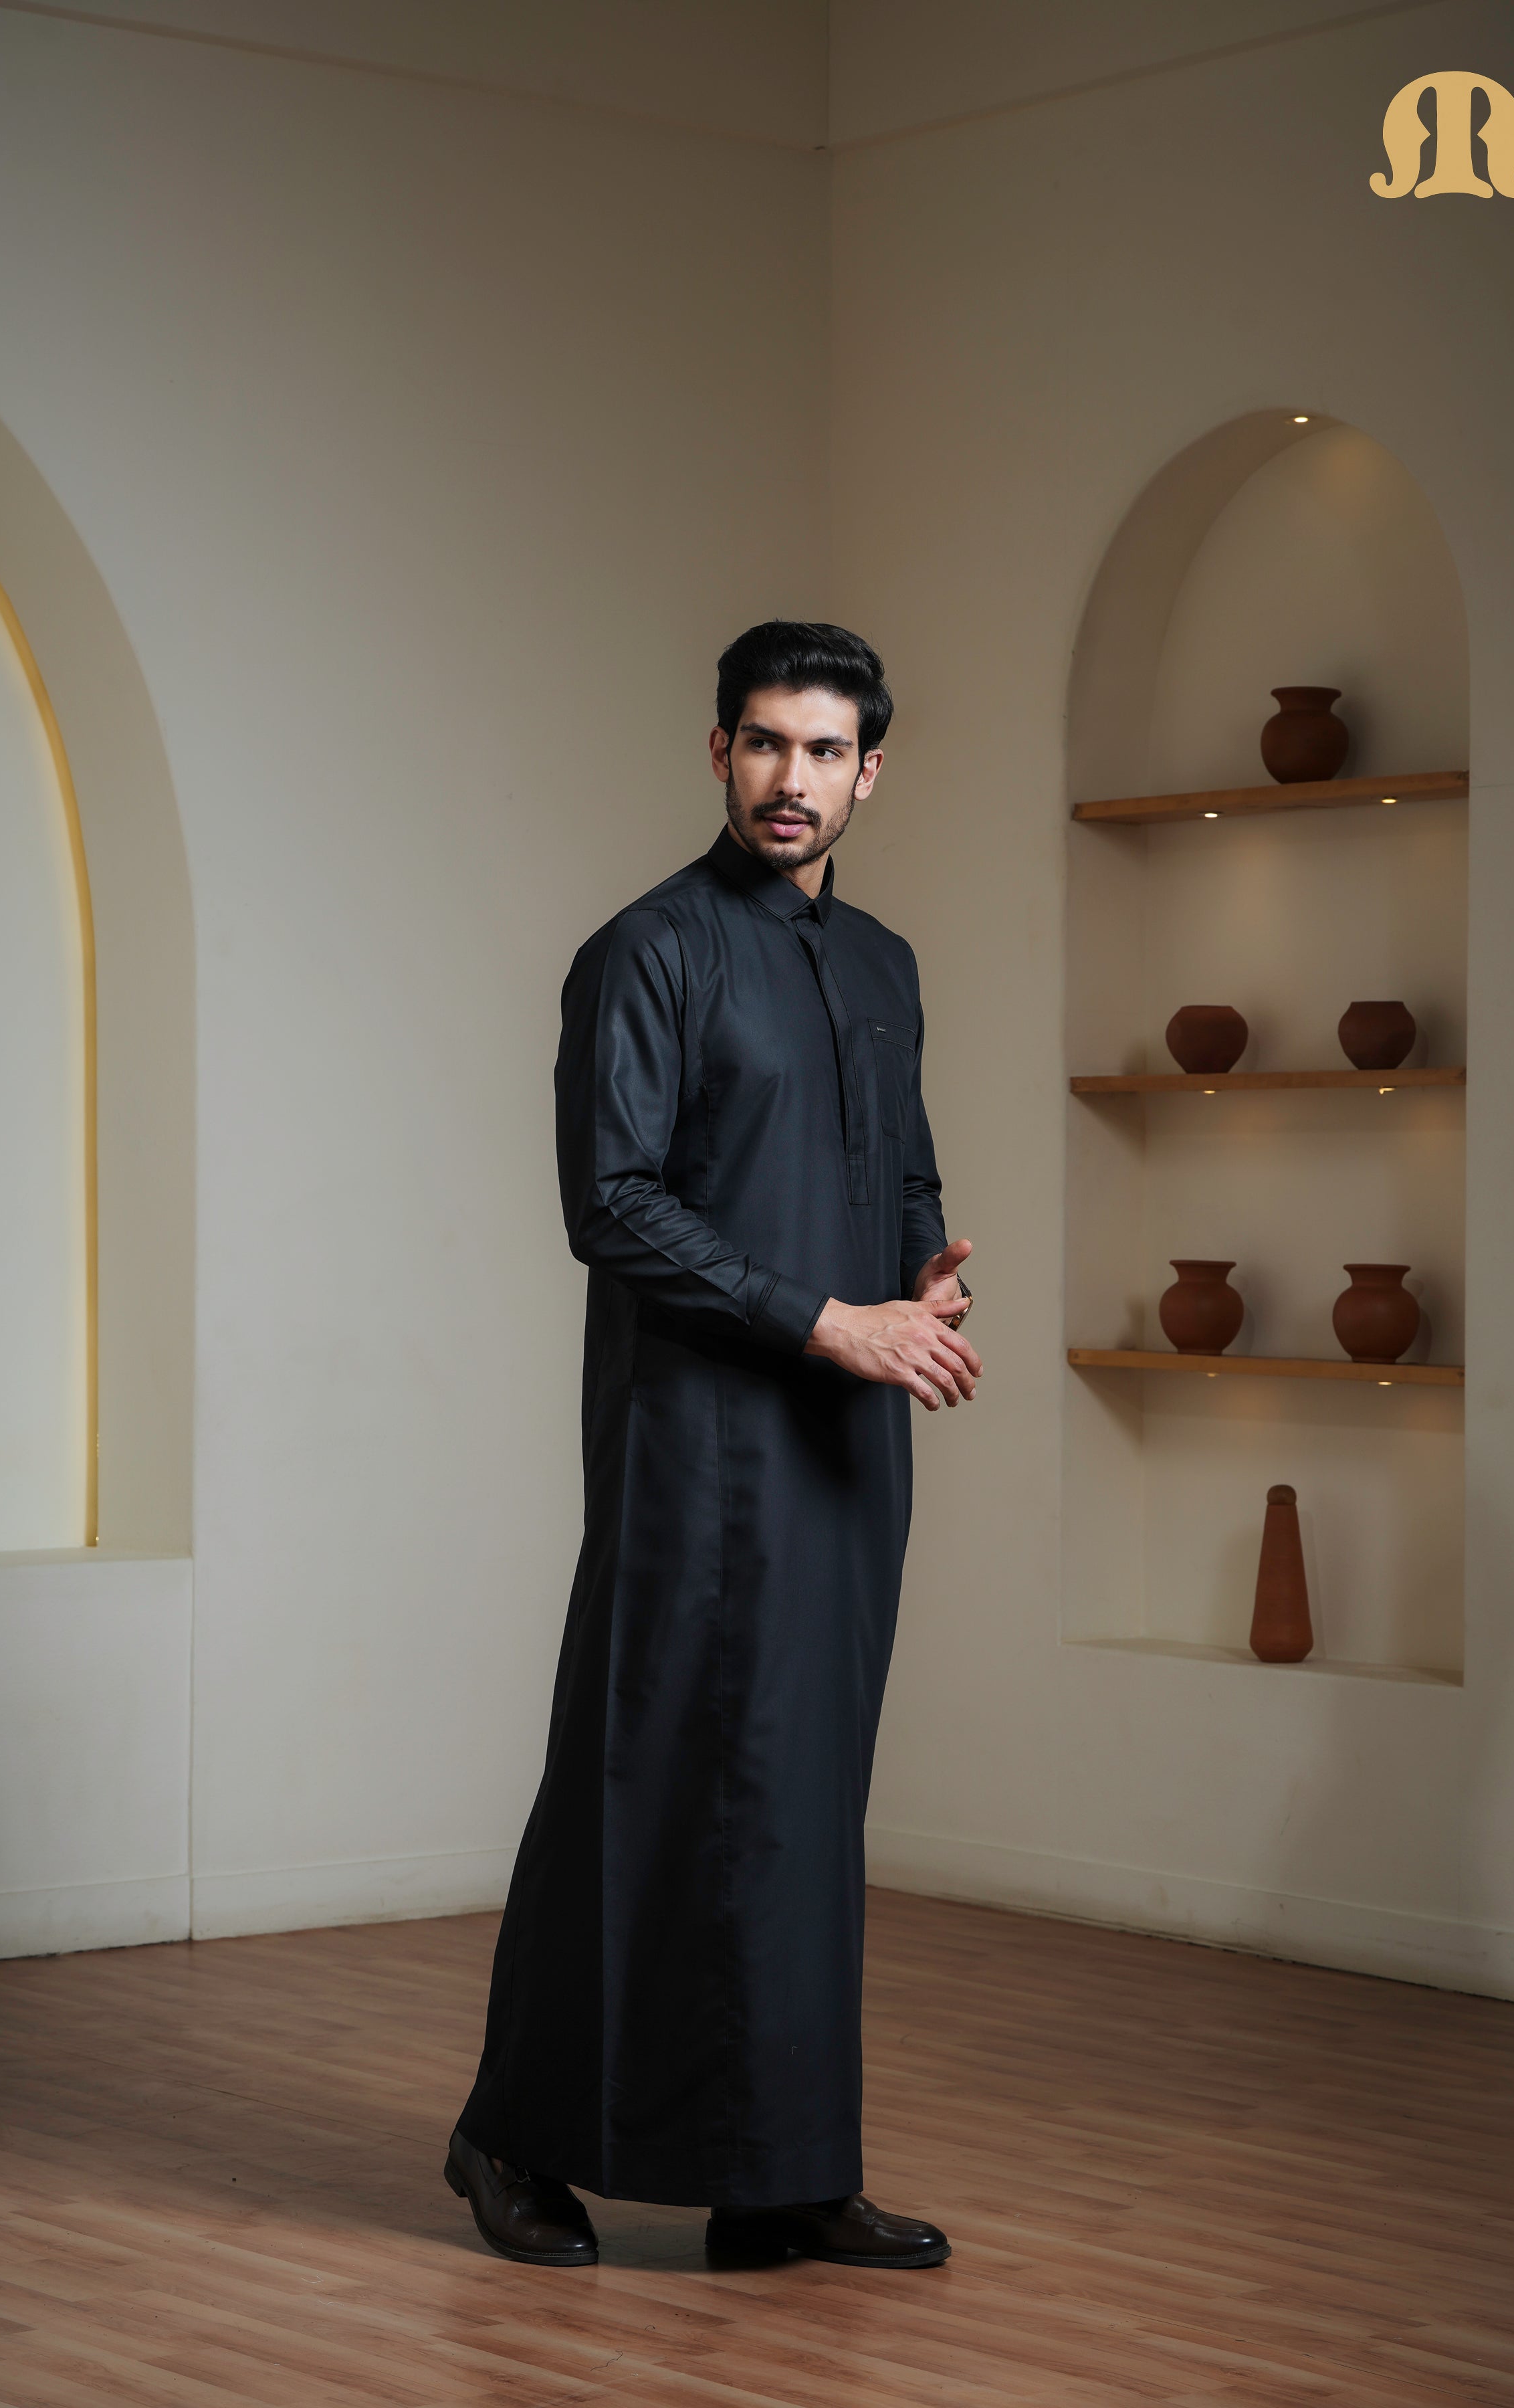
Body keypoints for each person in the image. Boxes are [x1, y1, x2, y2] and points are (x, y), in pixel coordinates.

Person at [446, 621, 979, 2272]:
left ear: (870, 771)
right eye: (763, 743)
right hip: (692, 1440)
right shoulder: (647, 952)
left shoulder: (884, 965)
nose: (789, 779)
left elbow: (904, 1170)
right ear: (719, 753)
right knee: (643, 1777)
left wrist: (926, 1277)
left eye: (823, 751)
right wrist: (827, 1320)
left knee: (807, 1801)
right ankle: (510, 2137)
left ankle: (784, 2176)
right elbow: (610, 1204)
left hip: (850, 1446)